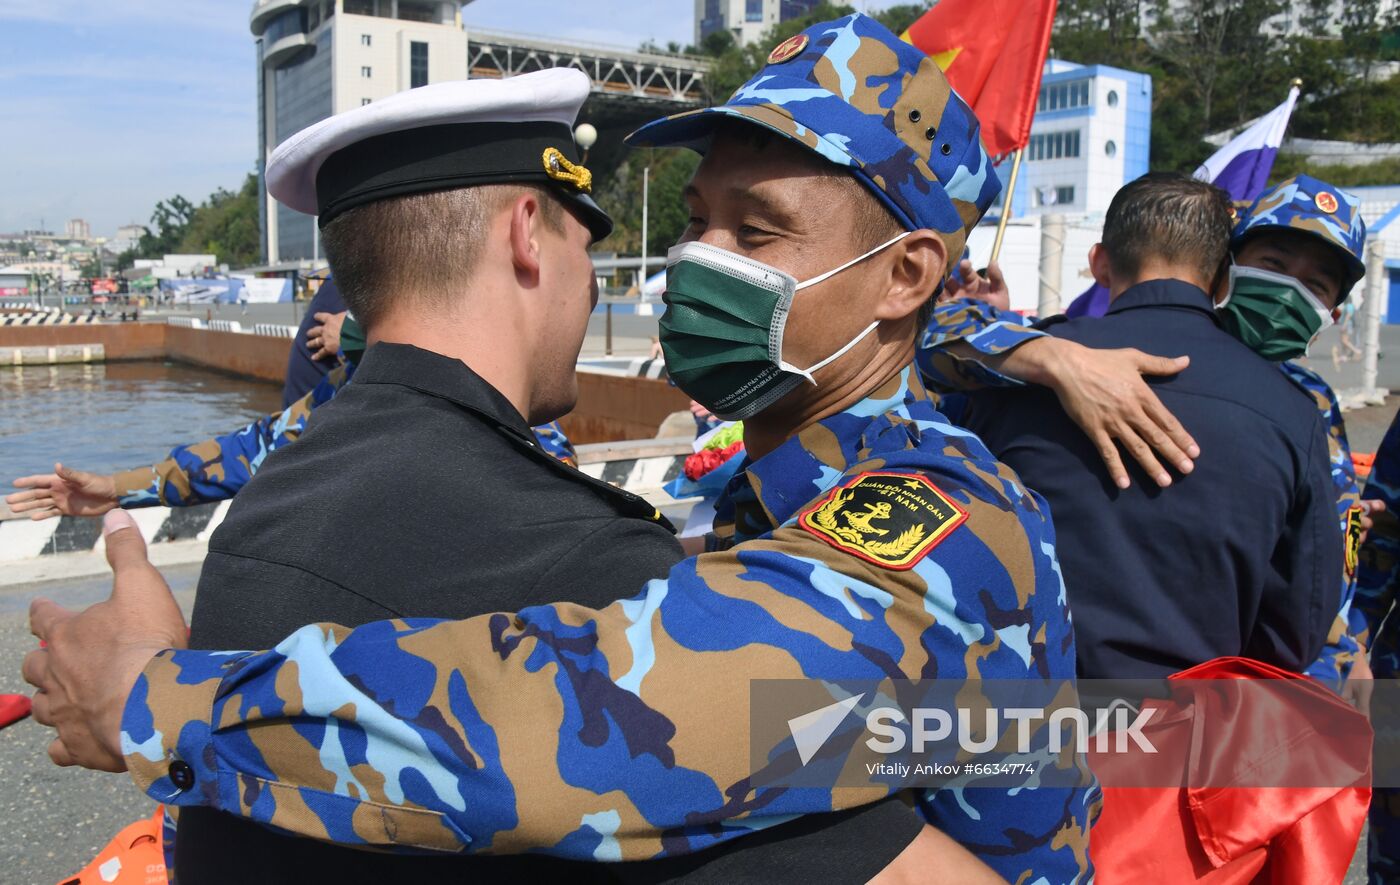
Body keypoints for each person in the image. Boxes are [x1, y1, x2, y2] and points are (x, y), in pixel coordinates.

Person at [27, 16, 1116, 880]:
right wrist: (1017, 347)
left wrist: (156, 700)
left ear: (904, 276)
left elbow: (628, 716)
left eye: (755, 231)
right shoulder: (766, 460)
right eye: (696, 218)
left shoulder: (933, 512)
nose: (694, 257)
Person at [956, 173, 1340, 679]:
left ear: (1098, 263)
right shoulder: (1294, 410)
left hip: (1015, 721)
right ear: (1223, 278)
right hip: (1181, 733)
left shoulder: (1003, 371)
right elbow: (1297, 633)